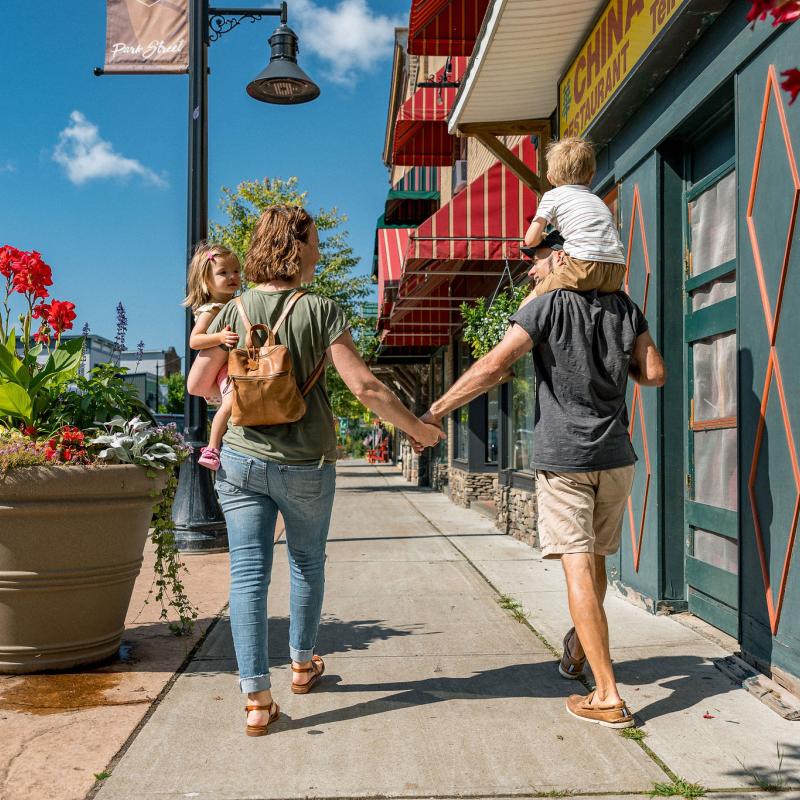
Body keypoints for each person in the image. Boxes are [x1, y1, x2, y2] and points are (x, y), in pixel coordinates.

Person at [187, 205, 444, 737]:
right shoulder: (322, 309)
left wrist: (228, 371)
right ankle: (302, 666)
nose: (320, 250)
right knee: (306, 562)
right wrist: (417, 430)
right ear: (297, 247)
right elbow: (365, 387)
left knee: (248, 576)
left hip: (238, 459)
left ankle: (257, 700)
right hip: (306, 462)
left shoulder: (232, 310)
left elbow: (196, 384)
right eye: (315, 241)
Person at [419, 236, 665, 729]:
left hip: (566, 459)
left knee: (577, 568)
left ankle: (608, 694)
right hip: (616, 457)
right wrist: (616, 363)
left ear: (561, 258)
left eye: (534, 263)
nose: (529, 273)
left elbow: (493, 365)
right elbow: (655, 374)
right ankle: (578, 649)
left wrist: (433, 412)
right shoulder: (626, 308)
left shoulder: (548, 307)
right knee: (594, 563)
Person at [523, 137, 627, 298]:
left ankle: (514, 323)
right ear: (591, 176)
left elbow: (530, 240)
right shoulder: (596, 200)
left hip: (584, 266)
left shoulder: (553, 195)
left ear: (550, 178)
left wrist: (540, 237)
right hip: (616, 272)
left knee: (536, 296)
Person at [182, 241, 241, 471]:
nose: (232, 276)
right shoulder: (213, 308)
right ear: (207, 280)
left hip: (229, 366)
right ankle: (213, 448)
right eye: (223, 272)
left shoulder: (234, 303)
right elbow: (195, 340)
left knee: (230, 406)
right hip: (222, 368)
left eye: (236, 271)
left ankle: (224, 446)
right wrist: (219, 338)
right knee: (229, 403)